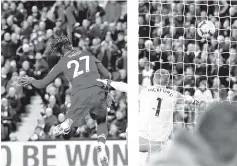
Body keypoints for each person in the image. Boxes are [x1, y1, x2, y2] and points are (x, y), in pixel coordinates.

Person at [21, 35, 110, 166]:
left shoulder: (62, 62)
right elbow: (107, 75)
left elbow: (42, 84)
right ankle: (101, 145)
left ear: (61, 50)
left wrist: (31, 80)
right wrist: (106, 92)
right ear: (67, 46)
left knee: (75, 112)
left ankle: (67, 122)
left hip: (80, 94)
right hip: (98, 90)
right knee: (101, 121)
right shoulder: (87, 53)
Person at [97, 69, 199, 163]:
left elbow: (121, 86)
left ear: (153, 79)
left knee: (131, 124)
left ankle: (128, 144)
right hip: (158, 143)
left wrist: (106, 81)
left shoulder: (144, 90)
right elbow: (187, 99)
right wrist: (193, 100)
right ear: (167, 82)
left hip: (139, 140)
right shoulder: (174, 95)